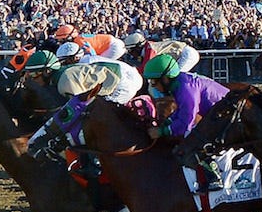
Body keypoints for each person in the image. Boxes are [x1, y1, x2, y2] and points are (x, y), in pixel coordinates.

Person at [143, 53, 231, 191]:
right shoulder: (180, 83)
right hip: (218, 115)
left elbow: (186, 123)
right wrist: (168, 122)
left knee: (191, 142)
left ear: (165, 79)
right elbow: (181, 111)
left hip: (227, 118)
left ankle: (214, 177)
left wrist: (162, 131)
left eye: (154, 82)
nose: (153, 86)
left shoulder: (186, 89)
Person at [53, 23, 126, 61]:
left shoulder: (79, 41)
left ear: (69, 37)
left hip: (113, 47)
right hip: (113, 43)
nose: (61, 41)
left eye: (62, 39)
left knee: (97, 64)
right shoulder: (79, 37)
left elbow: (92, 55)